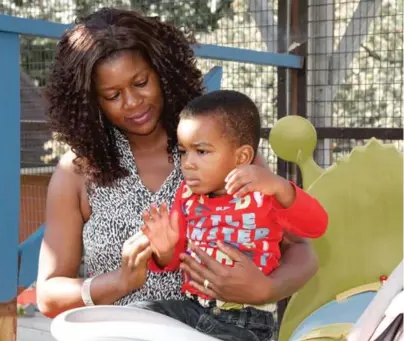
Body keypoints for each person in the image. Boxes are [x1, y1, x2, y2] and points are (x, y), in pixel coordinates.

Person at [36, 7, 321, 321]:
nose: (132, 102)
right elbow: (48, 296)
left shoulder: (222, 152)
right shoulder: (77, 172)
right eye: (113, 94)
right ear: (91, 101)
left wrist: (266, 289)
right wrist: (119, 281)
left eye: (141, 82)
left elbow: (302, 249)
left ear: (163, 74)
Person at [135, 90, 329, 341]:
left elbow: (316, 226)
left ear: (242, 157)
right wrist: (164, 251)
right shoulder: (187, 196)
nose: (187, 163)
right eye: (183, 152)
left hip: (244, 321)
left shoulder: (264, 193)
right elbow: (177, 260)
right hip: (191, 308)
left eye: (201, 151)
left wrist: (281, 188)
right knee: (135, 315)